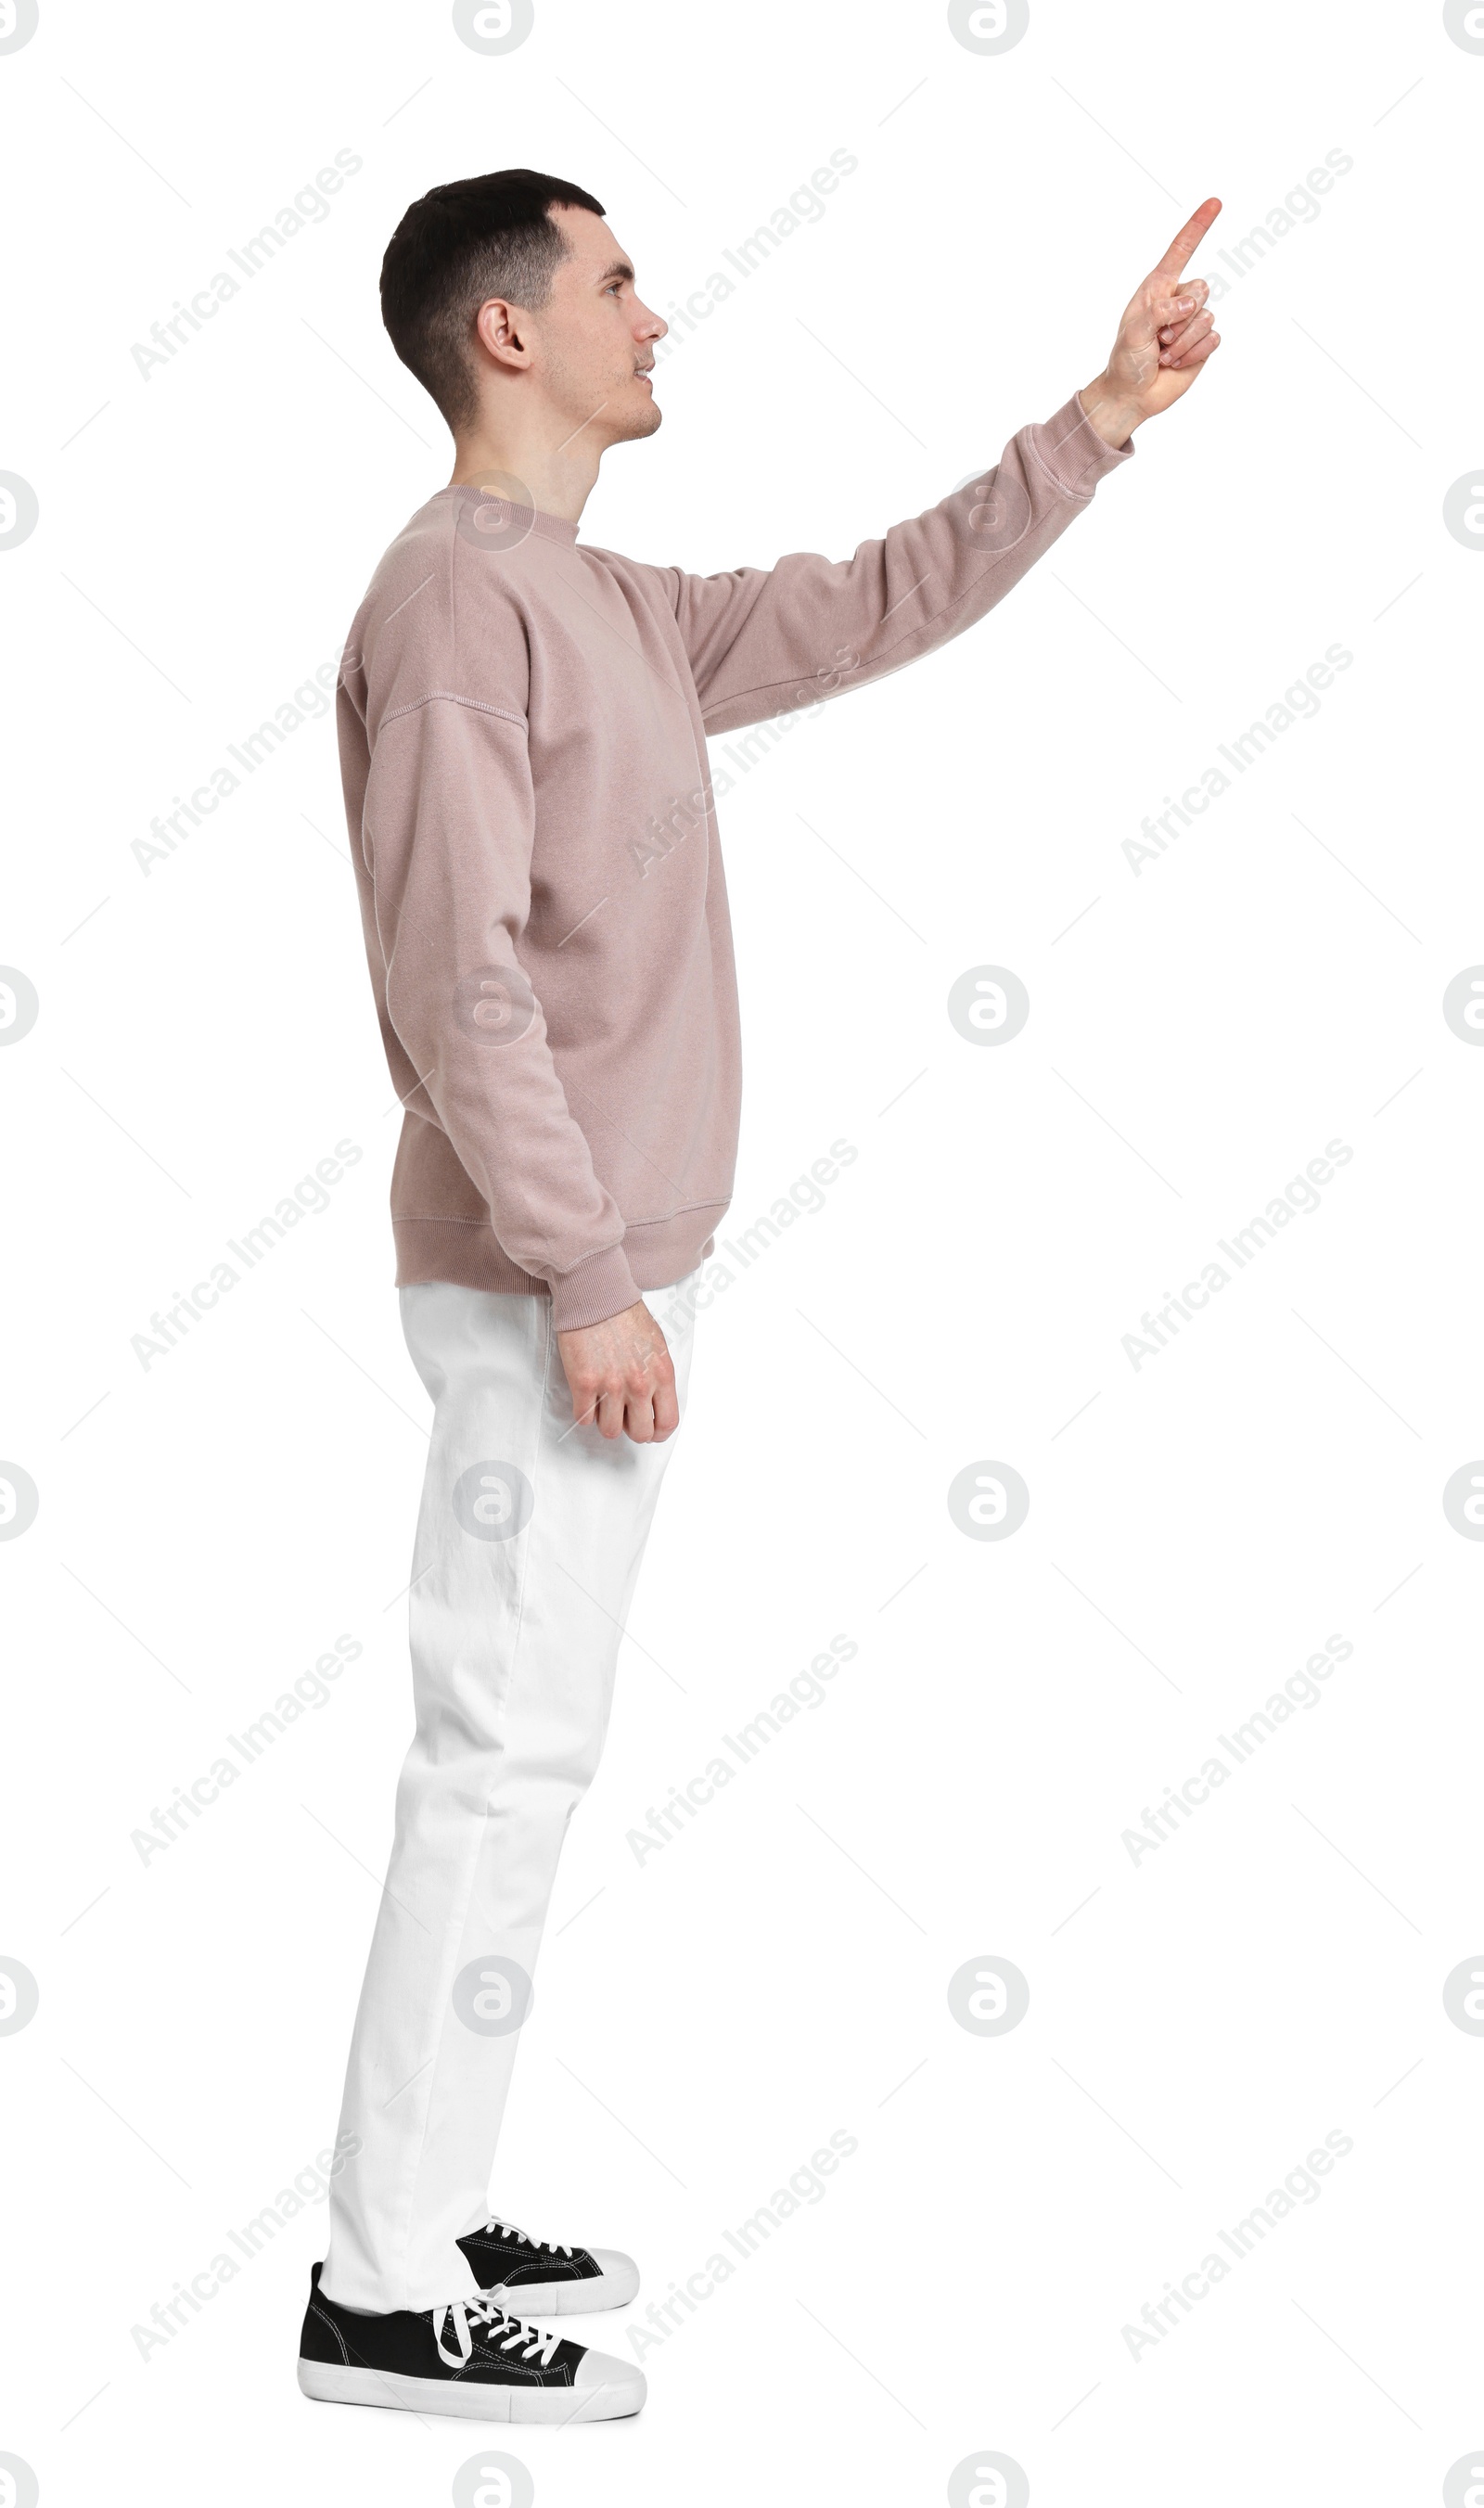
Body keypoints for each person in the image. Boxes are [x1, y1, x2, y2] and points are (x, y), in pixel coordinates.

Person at [298, 167, 1222, 2425]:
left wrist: (1091, 418)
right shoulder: (449, 611)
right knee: (495, 1758)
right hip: (552, 1287)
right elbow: (458, 985)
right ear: (504, 334)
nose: (652, 309)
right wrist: (592, 1274)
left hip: (610, 1278)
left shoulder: (604, 598)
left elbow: (874, 601)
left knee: (525, 1753)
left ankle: (418, 2204)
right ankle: (379, 2298)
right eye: (612, 279)